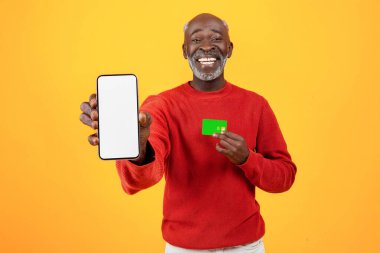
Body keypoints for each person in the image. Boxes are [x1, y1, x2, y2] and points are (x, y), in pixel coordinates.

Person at [80, 13, 297, 253]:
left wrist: (248, 158)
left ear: (230, 48)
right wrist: (139, 151)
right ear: (184, 50)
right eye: (196, 40)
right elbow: (139, 181)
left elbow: (284, 177)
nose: (206, 46)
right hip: (184, 248)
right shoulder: (161, 106)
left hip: (247, 247)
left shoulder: (256, 105)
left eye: (216, 38)